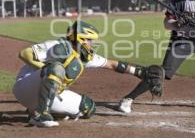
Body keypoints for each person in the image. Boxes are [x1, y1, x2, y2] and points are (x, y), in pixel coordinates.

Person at [13, 20, 164, 127]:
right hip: (24, 87)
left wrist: (139, 72)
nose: (91, 44)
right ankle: (40, 115)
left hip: (43, 93)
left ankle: (33, 110)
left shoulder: (83, 56)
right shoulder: (58, 46)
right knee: (56, 68)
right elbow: (24, 54)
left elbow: (111, 64)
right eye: (89, 40)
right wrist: (47, 69)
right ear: (80, 38)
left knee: (88, 108)